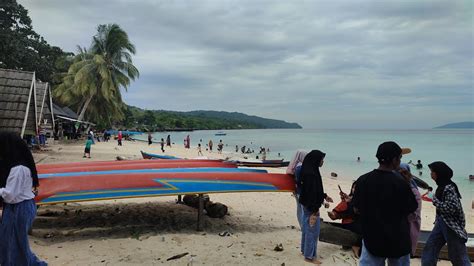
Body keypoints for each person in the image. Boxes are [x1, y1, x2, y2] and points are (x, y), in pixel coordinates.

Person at [352, 141, 417, 265]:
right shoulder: (401, 183)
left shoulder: (363, 180)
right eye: (400, 158)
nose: (399, 161)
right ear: (394, 160)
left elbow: (356, 209)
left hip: (372, 237)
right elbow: (411, 207)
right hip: (397, 238)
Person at [0, 131, 47, 265]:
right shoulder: (13, 166)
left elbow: (10, 194)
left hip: (21, 207)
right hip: (14, 207)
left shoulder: (19, 169)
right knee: (7, 242)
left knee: (17, 246)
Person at [421, 162, 470, 266]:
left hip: (451, 225)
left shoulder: (448, 187)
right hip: (441, 221)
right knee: (430, 248)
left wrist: (434, 200)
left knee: (458, 256)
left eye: (432, 172)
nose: (431, 174)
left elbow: (451, 208)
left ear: (439, 173)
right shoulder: (441, 186)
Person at [299, 150, 333, 264]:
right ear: (315, 160)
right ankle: (309, 257)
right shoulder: (311, 174)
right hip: (311, 206)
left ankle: (305, 251)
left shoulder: (310, 170)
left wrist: (324, 196)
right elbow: (311, 192)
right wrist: (314, 210)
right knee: (312, 231)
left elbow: (315, 190)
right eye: (321, 159)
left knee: (307, 229)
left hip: (306, 204)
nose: (322, 162)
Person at [327, 182, 361, 257]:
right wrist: (333, 214)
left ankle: (350, 244)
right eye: (353, 187)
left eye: (357, 188)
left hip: (356, 222)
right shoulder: (347, 199)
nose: (354, 189)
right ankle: (356, 246)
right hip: (349, 223)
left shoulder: (360, 199)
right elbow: (340, 208)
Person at [398, 163, 422, 257]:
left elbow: (413, 215)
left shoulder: (414, 192)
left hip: (408, 231)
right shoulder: (395, 187)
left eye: (403, 173)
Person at [286, 150, 308, 229]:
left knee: (299, 208)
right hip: (301, 191)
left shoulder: (294, 165)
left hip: (296, 190)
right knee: (303, 208)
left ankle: (301, 225)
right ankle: (303, 226)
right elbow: (301, 181)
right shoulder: (301, 166)